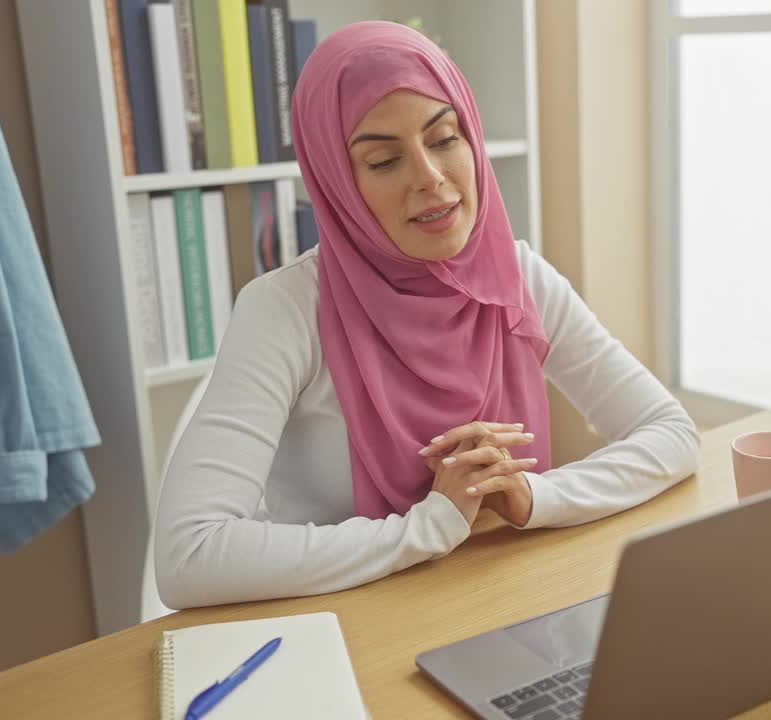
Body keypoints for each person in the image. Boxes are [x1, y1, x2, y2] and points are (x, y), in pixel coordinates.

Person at [154, 21, 698, 609]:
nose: (431, 177)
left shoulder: (518, 277)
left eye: (444, 139)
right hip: (343, 628)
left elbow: (672, 435)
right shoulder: (283, 310)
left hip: (505, 598)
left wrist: (532, 499)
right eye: (385, 161)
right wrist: (430, 526)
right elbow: (189, 557)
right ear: (336, 183)